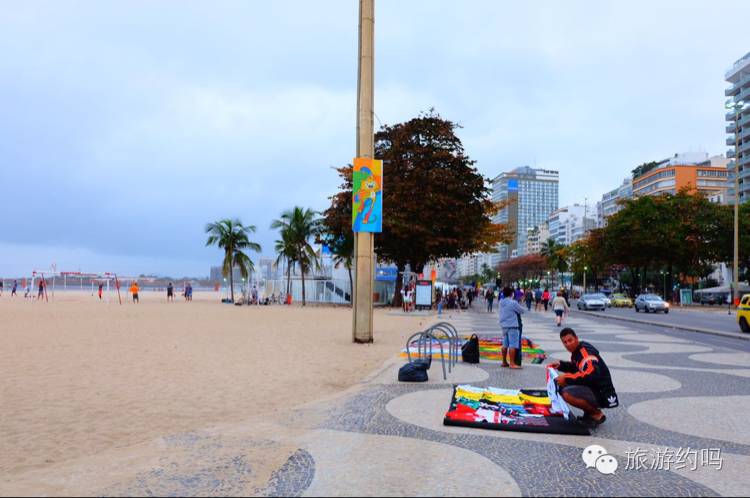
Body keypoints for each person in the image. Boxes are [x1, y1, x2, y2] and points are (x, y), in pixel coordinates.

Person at [549, 328, 618, 427]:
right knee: (562, 387)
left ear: (576, 339)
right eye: (565, 342)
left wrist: (566, 378)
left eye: (570, 340)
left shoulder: (585, 353)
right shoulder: (577, 351)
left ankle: (596, 414)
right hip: (594, 388)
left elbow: (592, 373)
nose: (568, 344)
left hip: (603, 392)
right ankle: (589, 414)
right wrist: (561, 365)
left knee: (567, 393)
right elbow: (576, 368)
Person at [499, 286, 525, 369]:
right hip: (512, 325)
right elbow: (521, 310)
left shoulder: (501, 302)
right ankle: (512, 363)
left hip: (504, 325)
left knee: (505, 344)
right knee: (513, 344)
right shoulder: (513, 302)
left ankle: (504, 361)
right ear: (511, 293)